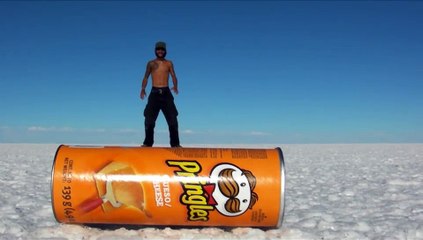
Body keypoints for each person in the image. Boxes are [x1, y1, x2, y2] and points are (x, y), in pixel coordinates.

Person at [140, 41, 181, 147]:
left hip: (166, 93)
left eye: (162, 50)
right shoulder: (151, 63)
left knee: (172, 119)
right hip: (154, 93)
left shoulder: (169, 63)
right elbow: (146, 76)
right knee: (149, 119)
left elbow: (173, 75)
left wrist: (175, 86)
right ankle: (148, 143)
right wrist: (143, 88)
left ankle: (175, 144)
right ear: (155, 51)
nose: (160, 51)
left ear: (165, 51)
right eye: (158, 49)